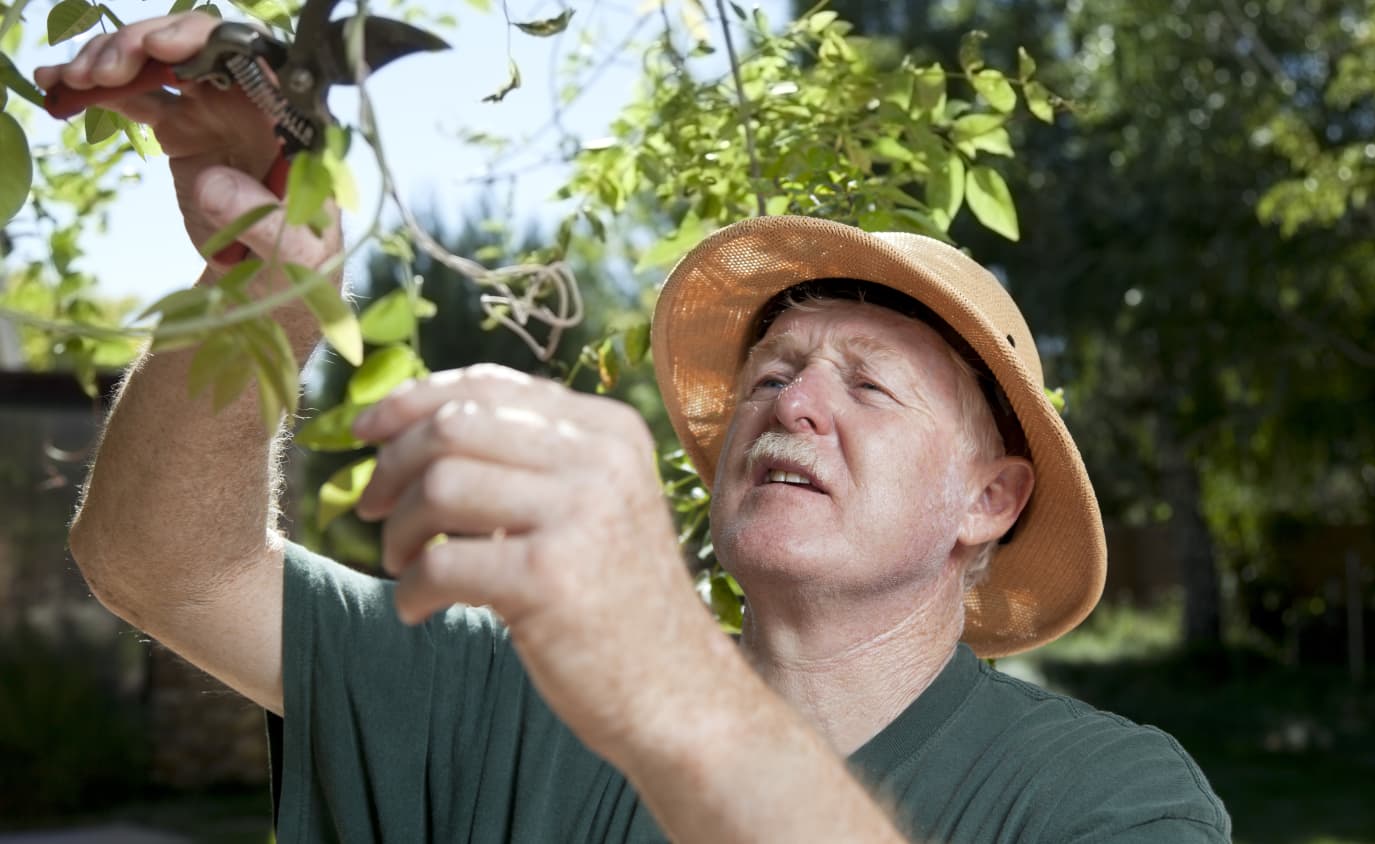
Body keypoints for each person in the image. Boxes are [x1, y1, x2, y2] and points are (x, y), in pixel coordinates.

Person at [41, 12, 1231, 843]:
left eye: (869, 387)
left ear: (991, 500)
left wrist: (665, 676)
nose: (795, 403)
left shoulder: (1103, 794)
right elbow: (165, 564)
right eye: (772, 375)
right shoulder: (502, 692)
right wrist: (263, 292)